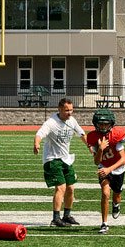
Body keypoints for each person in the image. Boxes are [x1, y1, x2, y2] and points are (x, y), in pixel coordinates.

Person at [33, 97, 89, 227]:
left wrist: (90, 147)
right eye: (66, 110)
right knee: (61, 187)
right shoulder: (51, 122)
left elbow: (82, 134)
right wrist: (36, 143)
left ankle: (67, 215)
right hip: (52, 160)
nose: (69, 113)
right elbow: (40, 134)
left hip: (66, 159)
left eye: (71, 110)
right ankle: (56, 218)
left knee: (70, 188)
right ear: (59, 109)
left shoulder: (72, 120)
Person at [86, 108, 125, 234]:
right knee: (105, 193)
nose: (103, 126)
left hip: (117, 168)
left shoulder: (115, 135)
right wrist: (101, 149)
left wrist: (110, 169)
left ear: (111, 124)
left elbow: (124, 159)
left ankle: (116, 205)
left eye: (106, 124)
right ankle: (104, 223)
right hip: (103, 167)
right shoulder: (92, 136)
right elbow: (96, 162)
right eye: (101, 124)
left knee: (117, 194)